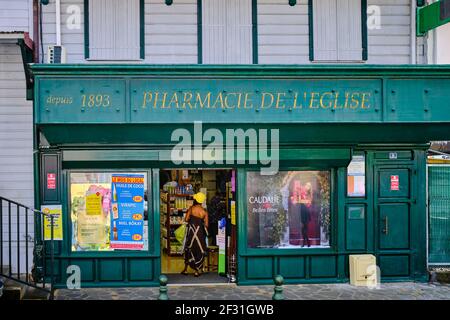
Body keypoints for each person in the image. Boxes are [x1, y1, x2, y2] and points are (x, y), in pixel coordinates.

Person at [181, 192, 209, 277]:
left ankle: (185, 270)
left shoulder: (191, 208)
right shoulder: (204, 212)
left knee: (189, 248)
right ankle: (197, 270)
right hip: (200, 234)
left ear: (195, 199)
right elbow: (207, 225)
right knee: (199, 250)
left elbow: (186, 219)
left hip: (191, 232)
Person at [299, 182, 313, 247]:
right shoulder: (302, 193)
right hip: (302, 211)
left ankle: (306, 242)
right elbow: (298, 201)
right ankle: (306, 242)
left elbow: (308, 203)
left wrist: (303, 200)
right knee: (303, 228)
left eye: (309, 186)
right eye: (307, 185)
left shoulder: (310, 194)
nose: (307, 187)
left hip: (306, 212)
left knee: (305, 228)